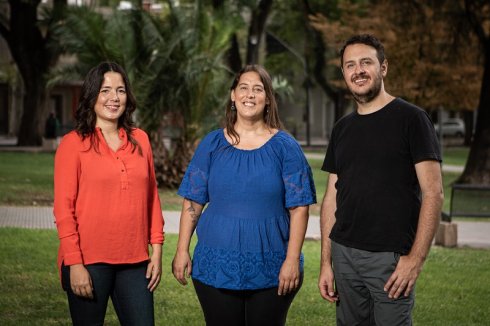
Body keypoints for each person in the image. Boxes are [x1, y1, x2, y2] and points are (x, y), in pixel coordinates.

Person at [172, 64, 316, 325]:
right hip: (215, 265)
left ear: (268, 98)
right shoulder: (212, 144)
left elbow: (299, 208)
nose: (250, 95)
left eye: (258, 89)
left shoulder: (286, 147)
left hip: (273, 267)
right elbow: (193, 201)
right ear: (233, 95)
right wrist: (182, 249)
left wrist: (292, 260)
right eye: (244, 88)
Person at [318, 34, 443, 325]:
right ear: (344, 73)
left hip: (390, 258)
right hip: (344, 254)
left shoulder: (412, 119)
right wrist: (326, 262)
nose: (358, 70)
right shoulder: (342, 129)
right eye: (350, 65)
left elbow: (434, 193)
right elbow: (331, 197)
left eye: (366, 62)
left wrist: (415, 260)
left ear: (383, 68)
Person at [53, 62, 164, 325]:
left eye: (120, 90)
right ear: (92, 95)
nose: (114, 98)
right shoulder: (73, 144)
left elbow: (152, 198)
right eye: (105, 91)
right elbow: (63, 209)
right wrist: (75, 264)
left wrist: (156, 252)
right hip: (88, 261)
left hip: (136, 261)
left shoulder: (141, 140)